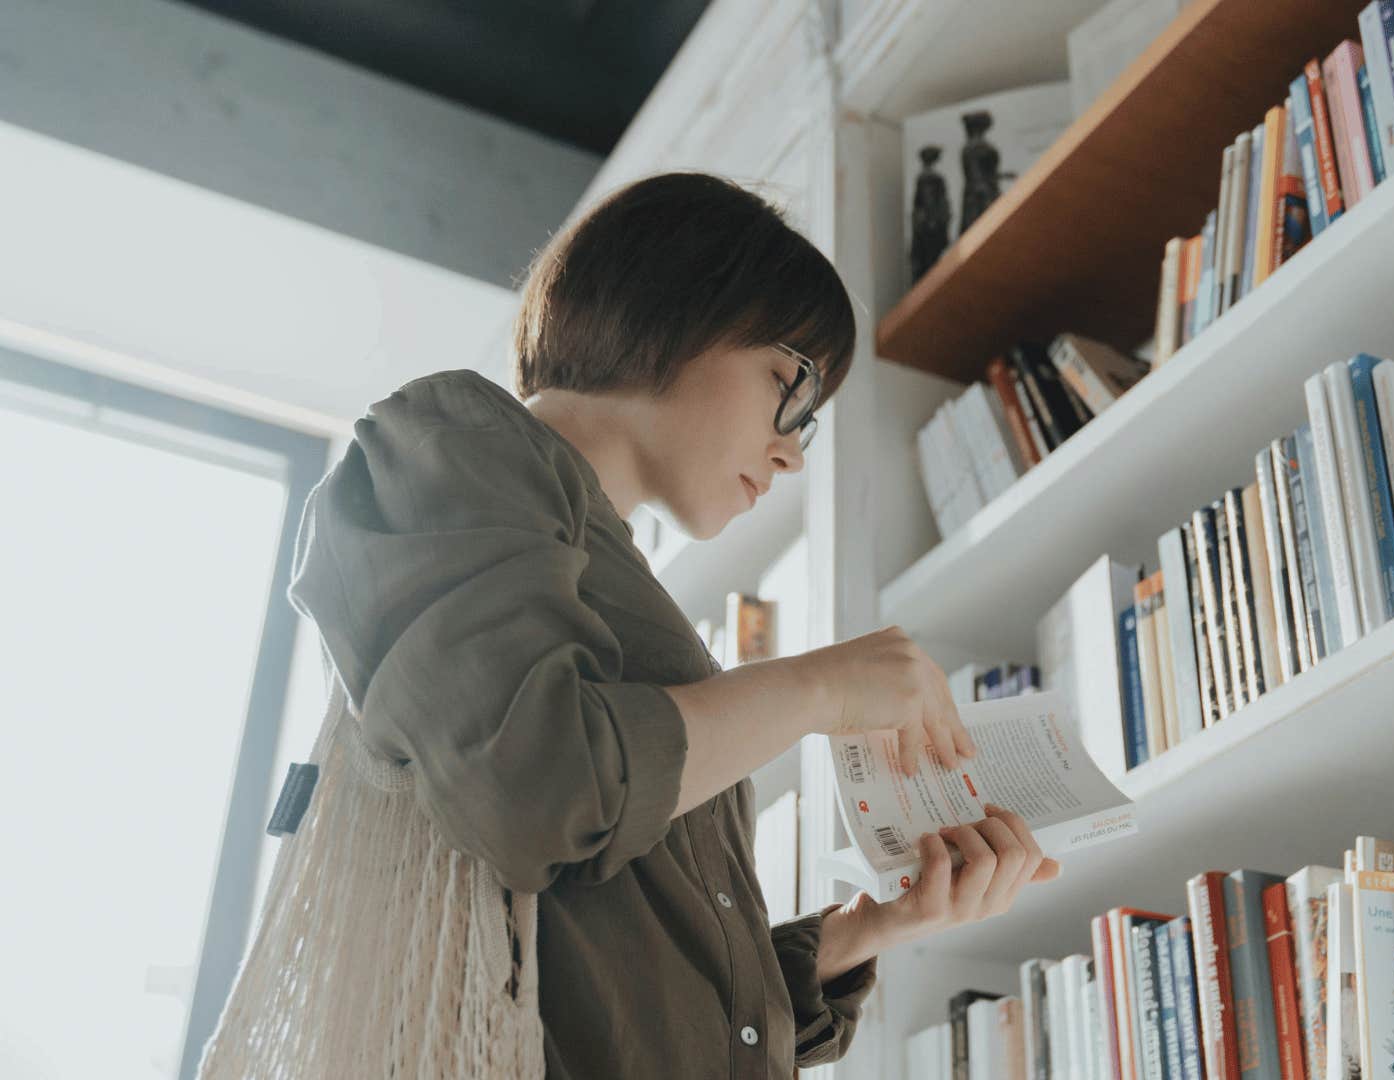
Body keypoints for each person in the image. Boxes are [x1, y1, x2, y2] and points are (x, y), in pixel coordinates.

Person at [287, 171, 1059, 1078]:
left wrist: (873, 926)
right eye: (789, 385)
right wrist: (817, 687)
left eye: (808, 429)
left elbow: (641, 992)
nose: (789, 451)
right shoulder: (455, 447)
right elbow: (539, 793)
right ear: (671, 308)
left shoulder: (626, 599)